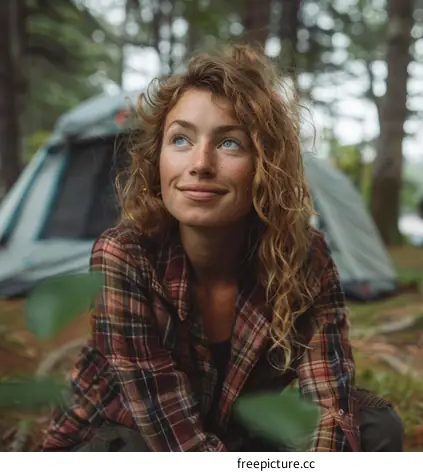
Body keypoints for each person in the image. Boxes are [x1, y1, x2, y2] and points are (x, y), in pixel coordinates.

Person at [41, 44, 403, 452]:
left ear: (266, 166)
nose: (200, 164)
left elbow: (328, 392)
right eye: (180, 139)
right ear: (156, 158)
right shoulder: (124, 254)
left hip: (232, 436)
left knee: (373, 423)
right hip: (134, 436)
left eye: (230, 143)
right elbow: (166, 424)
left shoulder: (303, 256)